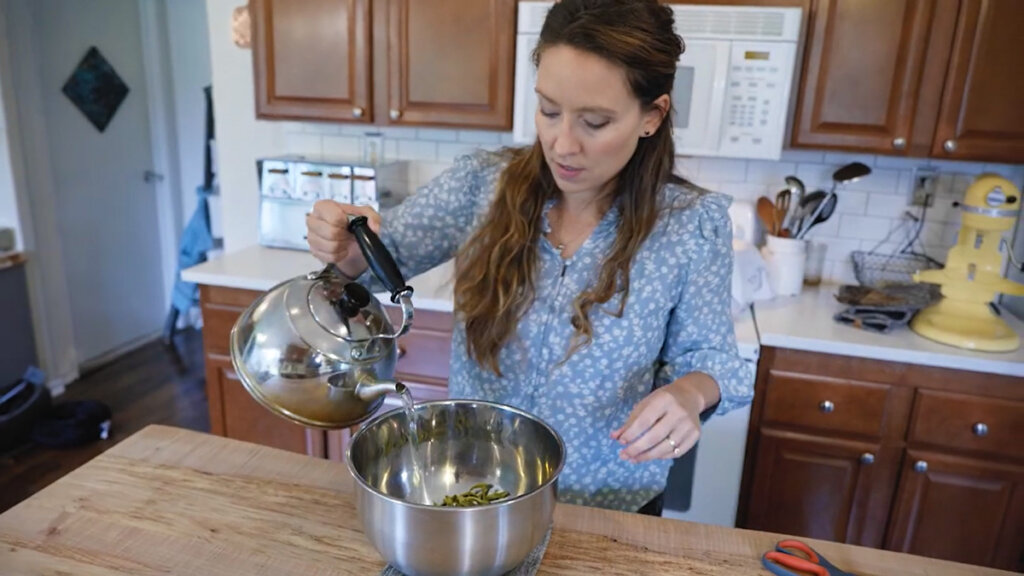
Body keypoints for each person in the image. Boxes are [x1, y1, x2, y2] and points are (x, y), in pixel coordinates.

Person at [306, 0, 751, 515]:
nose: (563, 144)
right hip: (477, 492)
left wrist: (690, 395)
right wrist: (344, 246)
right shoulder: (482, 185)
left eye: (595, 122)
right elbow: (378, 262)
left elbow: (712, 359)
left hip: (608, 505)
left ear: (652, 115)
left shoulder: (691, 225)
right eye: (549, 110)